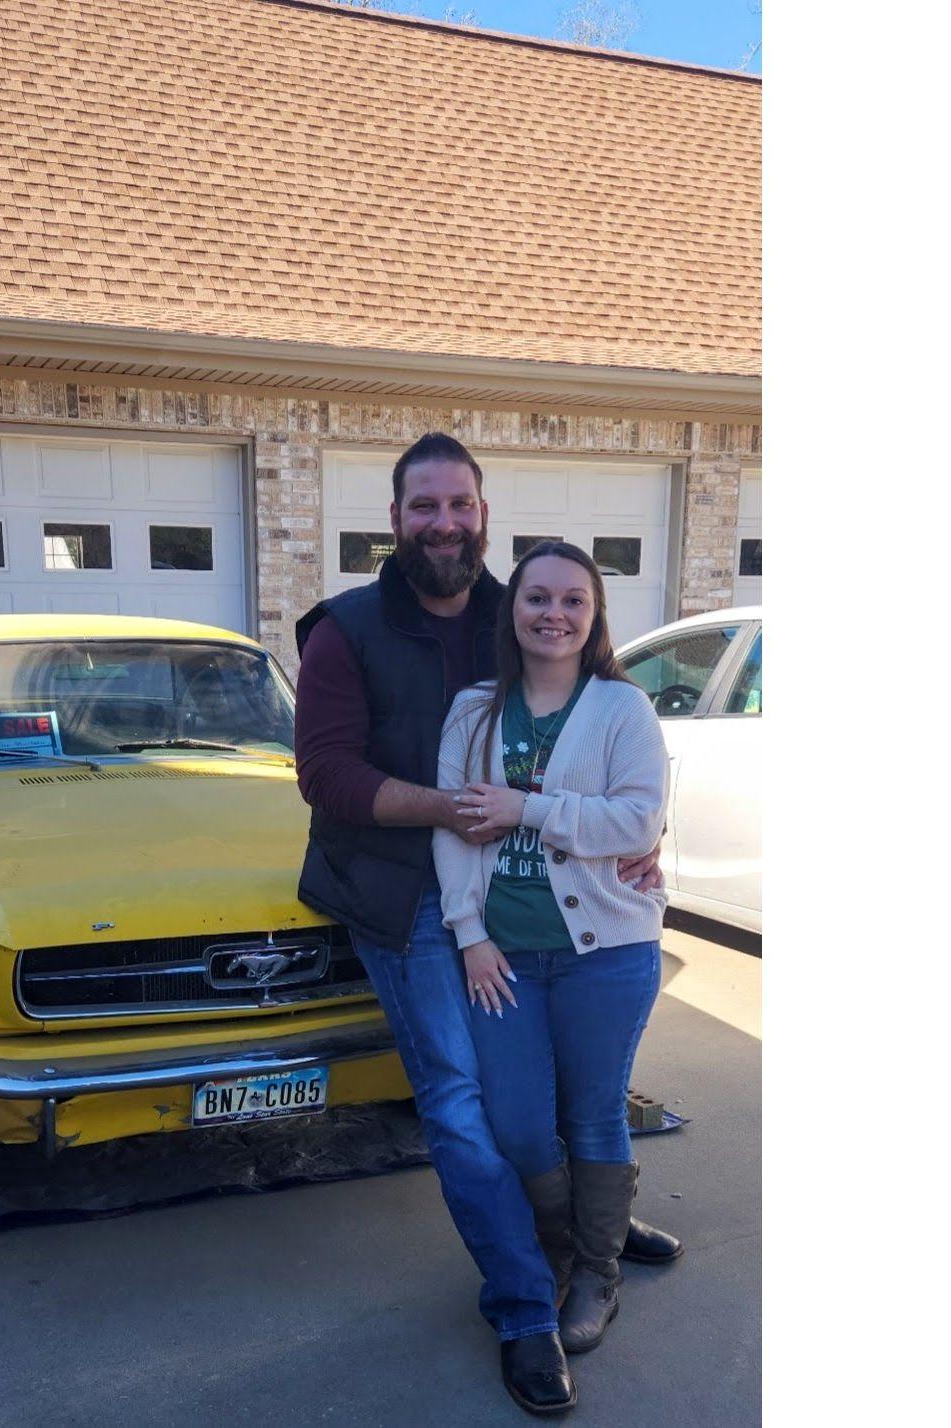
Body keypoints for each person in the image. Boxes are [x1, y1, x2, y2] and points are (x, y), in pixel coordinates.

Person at [293, 433, 676, 1415]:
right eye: (424, 507)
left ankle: (593, 1228)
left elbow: (606, 752)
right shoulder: (342, 630)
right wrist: (462, 808)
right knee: (468, 1107)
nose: (445, 523)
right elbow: (327, 778)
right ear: (394, 521)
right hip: (404, 897)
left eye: (460, 505)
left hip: (539, 901)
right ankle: (522, 1309)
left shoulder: (526, 607)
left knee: (563, 1090)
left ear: (484, 514)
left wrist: (637, 842)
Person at [433, 540, 669, 1356]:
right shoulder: (472, 710)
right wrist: (470, 934)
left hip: (606, 951)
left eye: (575, 600)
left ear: (595, 615)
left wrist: (525, 808)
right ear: (514, 608)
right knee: (522, 1127)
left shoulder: (621, 708)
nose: (555, 614)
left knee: (595, 1113)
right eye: (539, 597)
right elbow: (460, 829)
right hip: (505, 957)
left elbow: (637, 820)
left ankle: (596, 1275)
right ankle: (564, 1250)